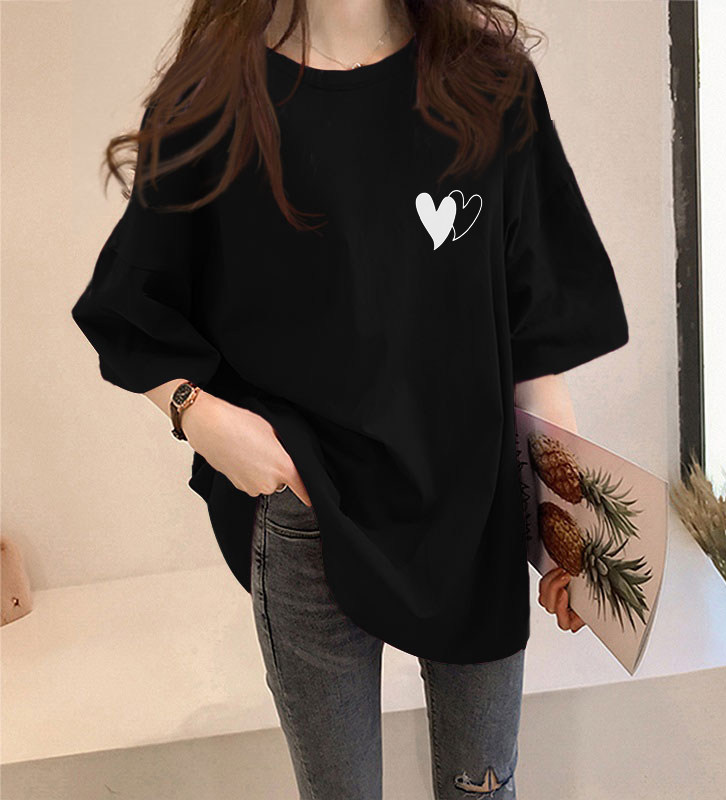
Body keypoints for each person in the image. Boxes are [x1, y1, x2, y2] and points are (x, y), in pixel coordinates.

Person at [70, 0, 630, 797]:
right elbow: (130, 302)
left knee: (484, 789)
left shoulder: (491, 84)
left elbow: (534, 327)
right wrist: (201, 416)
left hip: (473, 507)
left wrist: (569, 523)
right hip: (308, 512)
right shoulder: (220, 94)